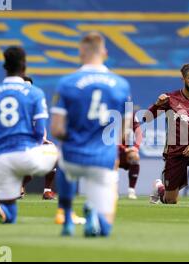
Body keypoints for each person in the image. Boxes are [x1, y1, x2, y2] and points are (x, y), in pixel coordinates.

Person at [50, 31, 131, 237]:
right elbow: (125, 132)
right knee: (105, 229)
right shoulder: (122, 85)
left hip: (73, 156)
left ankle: (67, 215)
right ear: (104, 52)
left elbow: (56, 129)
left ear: (81, 52)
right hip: (102, 160)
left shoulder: (67, 83)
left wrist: (74, 139)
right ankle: (94, 217)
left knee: (65, 166)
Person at [0, 46, 58, 224]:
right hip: (27, 153)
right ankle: (66, 211)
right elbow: (39, 130)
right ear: (24, 66)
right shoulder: (35, 93)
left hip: (2, 158)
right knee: (59, 153)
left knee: (9, 215)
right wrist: (36, 146)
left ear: (4, 67)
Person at [147, 63, 189, 204]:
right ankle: (159, 188)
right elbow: (146, 117)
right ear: (183, 79)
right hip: (174, 153)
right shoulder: (169, 98)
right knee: (170, 201)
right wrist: (157, 104)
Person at [118, 110, 142, 200]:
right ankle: (113, 191)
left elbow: (139, 133)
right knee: (111, 160)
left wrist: (136, 147)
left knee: (135, 157)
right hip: (109, 151)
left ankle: (131, 190)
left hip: (124, 152)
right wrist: (123, 148)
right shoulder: (109, 110)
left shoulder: (131, 115)